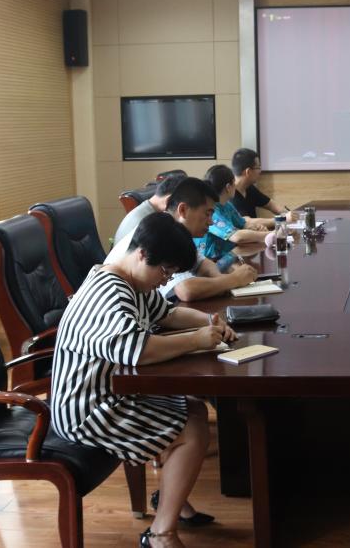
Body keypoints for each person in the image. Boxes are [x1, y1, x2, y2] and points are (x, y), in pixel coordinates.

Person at [50, 212, 238, 548]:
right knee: (191, 431)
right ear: (141, 254)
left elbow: (168, 313)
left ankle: (169, 500)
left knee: (193, 410)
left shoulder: (128, 281)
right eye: (164, 271)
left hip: (111, 392)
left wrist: (209, 320)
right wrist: (196, 340)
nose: (166, 280)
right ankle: (160, 535)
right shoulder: (108, 294)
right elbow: (139, 351)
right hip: (86, 409)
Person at [105, 177, 257, 301]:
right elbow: (186, 290)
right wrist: (234, 280)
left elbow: (203, 263)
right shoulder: (163, 232)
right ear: (183, 210)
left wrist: (221, 282)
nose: (211, 222)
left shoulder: (176, 230)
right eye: (207, 213)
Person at [201, 164, 274, 271]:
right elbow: (237, 237)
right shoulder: (211, 211)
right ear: (228, 187)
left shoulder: (226, 205)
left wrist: (256, 228)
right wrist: (271, 235)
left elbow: (243, 224)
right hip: (210, 264)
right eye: (234, 183)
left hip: (228, 257)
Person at [112, 174, 186, 246]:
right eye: (182, 209)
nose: (183, 214)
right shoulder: (150, 224)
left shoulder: (146, 211)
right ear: (169, 201)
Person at [230, 147, 294, 227]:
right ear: (248, 172)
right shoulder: (231, 194)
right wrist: (282, 219)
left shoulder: (249, 188)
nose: (260, 171)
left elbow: (272, 205)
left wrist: (287, 214)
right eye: (258, 167)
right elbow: (246, 222)